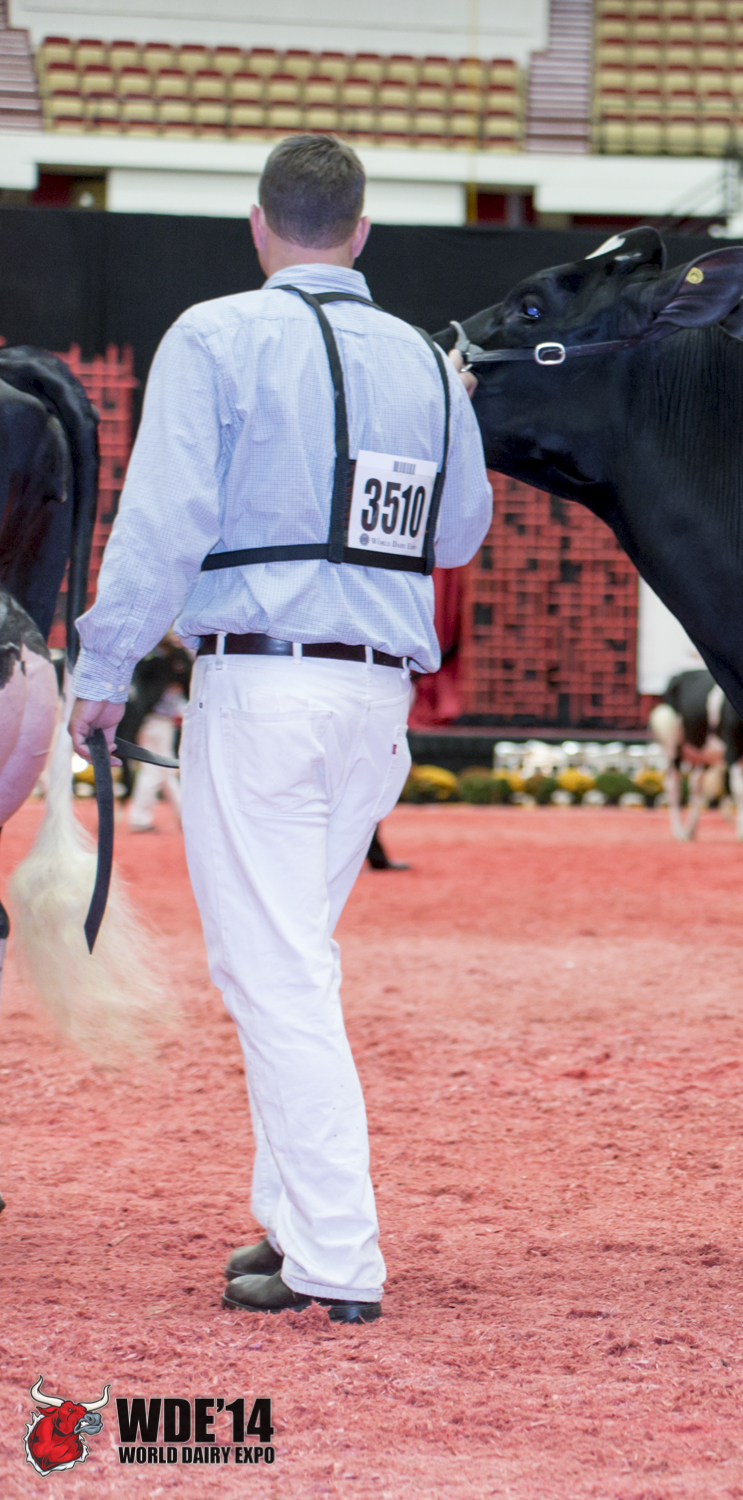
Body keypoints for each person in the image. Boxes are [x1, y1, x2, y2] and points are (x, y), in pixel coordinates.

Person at [67, 134, 493, 1325]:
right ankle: (294, 1222)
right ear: (362, 232)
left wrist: (103, 667)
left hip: (261, 689)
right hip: (375, 703)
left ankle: (338, 1258)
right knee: (291, 958)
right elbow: (458, 534)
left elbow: (165, 521)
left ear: (258, 225)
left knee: (276, 972)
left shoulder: (214, 335)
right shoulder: (427, 364)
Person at [119, 637, 192, 833]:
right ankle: (140, 818)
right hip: (155, 722)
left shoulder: (152, 660)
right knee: (155, 770)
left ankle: (184, 818)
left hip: (156, 722)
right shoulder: (160, 662)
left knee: (164, 773)